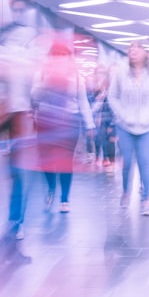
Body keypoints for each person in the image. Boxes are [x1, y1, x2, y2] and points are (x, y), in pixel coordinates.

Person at [0, 0, 39, 244]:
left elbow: (36, 74)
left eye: (22, 9)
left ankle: (16, 221)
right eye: (15, 9)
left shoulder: (33, 40)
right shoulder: (0, 35)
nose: (18, 14)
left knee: (18, 171)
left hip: (20, 112)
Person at [107, 40, 149, 215]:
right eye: (130, 48)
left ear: (146, 53)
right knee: (127, 162)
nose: (132, 50)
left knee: (145, 161)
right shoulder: (120, 73)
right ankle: (126, 191)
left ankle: (147, 198)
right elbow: (113, 97)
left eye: (137, 47)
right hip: (125, 125)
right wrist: (122, 114)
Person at [31, 39, 93, 213]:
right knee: (46, 161)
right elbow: (34, 97)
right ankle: (51, 187)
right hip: (46, 122)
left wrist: (89, 125)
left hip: (69, 123)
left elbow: (83, 102)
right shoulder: (41, 74)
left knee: (65, 161)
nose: (60, 59)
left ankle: (65, 198)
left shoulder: (77, 78)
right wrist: (48, 81)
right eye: (56, 56)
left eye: (64, 56)